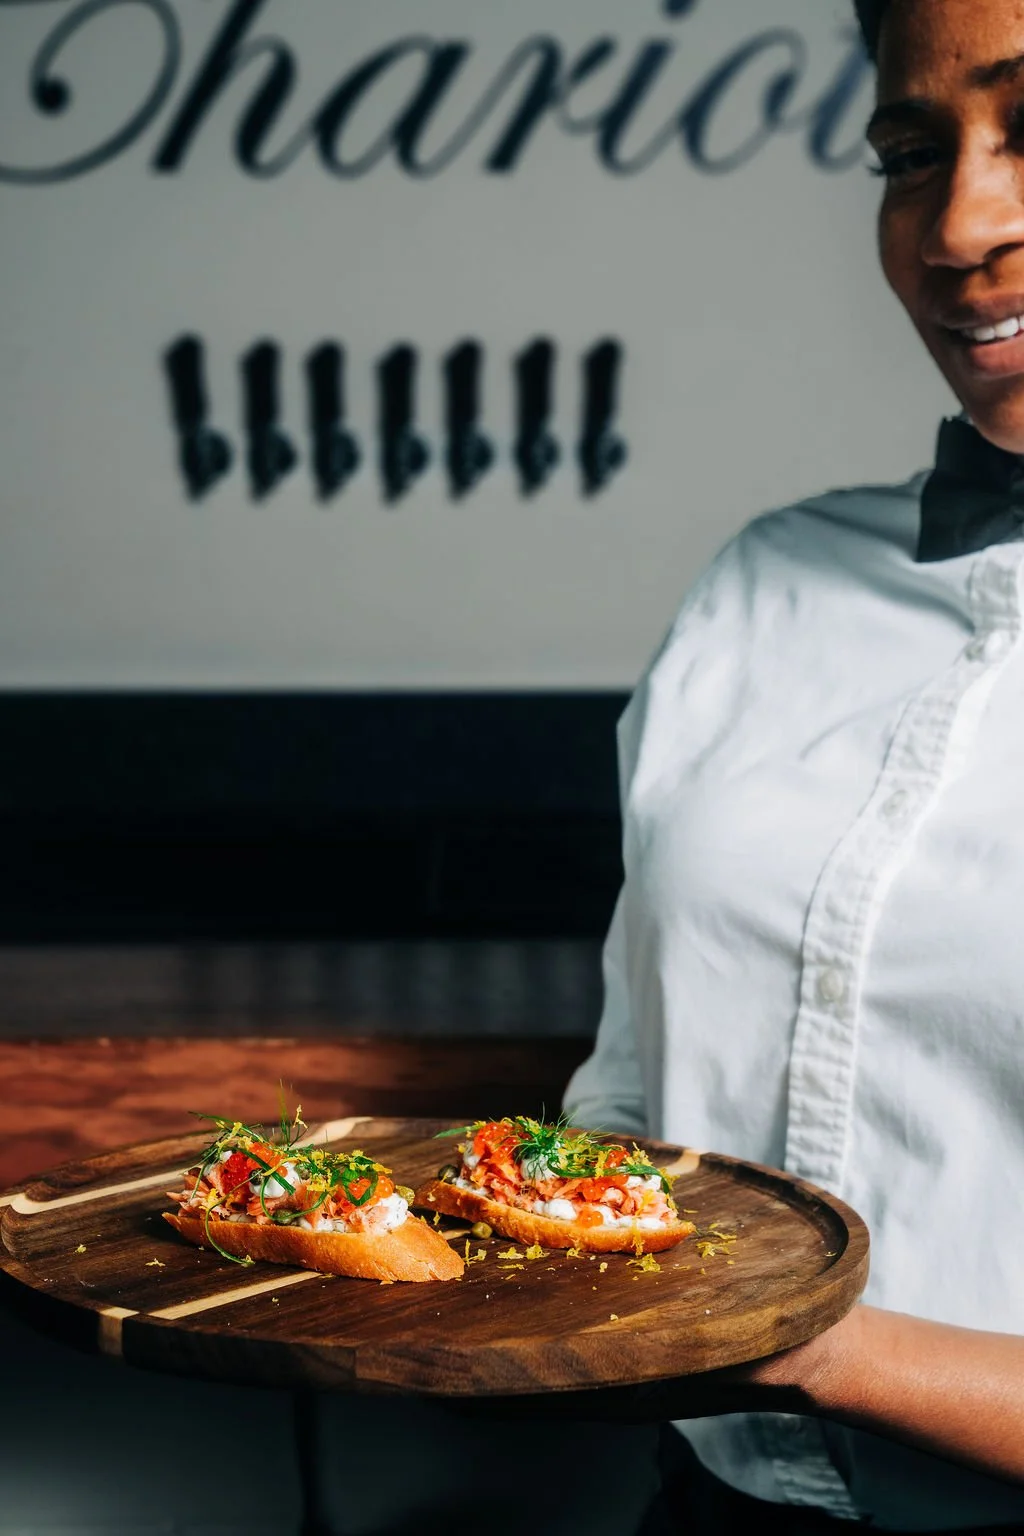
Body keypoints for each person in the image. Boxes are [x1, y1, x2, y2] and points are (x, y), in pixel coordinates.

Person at [564, 0, 1024, 1530]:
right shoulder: (763, 585)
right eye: (911, 149)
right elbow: (628, 1115)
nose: (958, 225)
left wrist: (820, 1347)